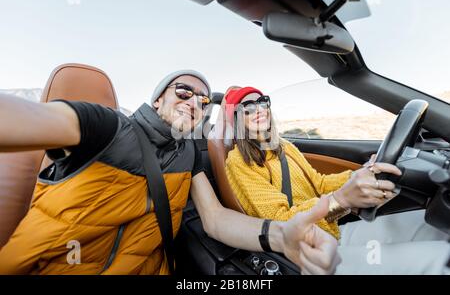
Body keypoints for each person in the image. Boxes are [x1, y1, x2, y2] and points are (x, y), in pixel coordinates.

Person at [0, 70, 340, 275]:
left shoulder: (189, 152)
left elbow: (216, 219)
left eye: (204, 101)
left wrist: (280, 236)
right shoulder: (107, 127)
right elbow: (25, 120)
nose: (194, 102)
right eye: (183, 92)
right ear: (158, 99)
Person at [224, 86, 450, 274]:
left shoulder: (285, 147)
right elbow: (278, 221)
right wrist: (339, 201)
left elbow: (319, 183)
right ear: (235, 118)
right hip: (307, 249)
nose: (259, 109)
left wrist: (359, 175)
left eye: (262, 102)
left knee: (426, 222)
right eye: (248, 107)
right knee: (438, 259)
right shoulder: (239, 161)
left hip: (332, 230)